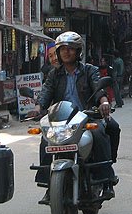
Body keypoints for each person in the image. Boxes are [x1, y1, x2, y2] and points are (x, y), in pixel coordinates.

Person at [33, 31, 119, 203]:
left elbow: (98, 88)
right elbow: (45, 94)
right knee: (45, 140)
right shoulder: (54, 74)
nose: (66, 52)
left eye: (71, 49)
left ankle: (106, 178)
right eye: (63, 49)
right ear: (58, 52)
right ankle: (49, 183)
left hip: (86, 117)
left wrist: (103, 102)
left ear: (78, 51)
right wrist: (37, 108)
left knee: (104, 131)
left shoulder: (89, 70)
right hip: (62, 120)